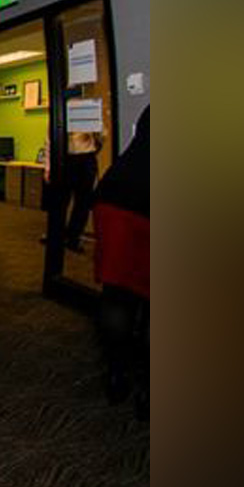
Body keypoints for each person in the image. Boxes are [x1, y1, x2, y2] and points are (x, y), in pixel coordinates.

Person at [92, 107, 149, 419]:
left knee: (118, 292)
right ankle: (148, 392)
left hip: (113, 197)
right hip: (146, 206)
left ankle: (117, 373)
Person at [42, 129, 104, 251]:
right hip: (66, 158)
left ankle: (73, 238)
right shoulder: (61, 111)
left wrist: (94, 146)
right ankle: (56, 236)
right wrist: (48, 168)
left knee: (82, 203)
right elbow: (49, 141)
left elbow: (102, 135)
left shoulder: (90, 113)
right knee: (60, 201)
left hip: (86, 158)